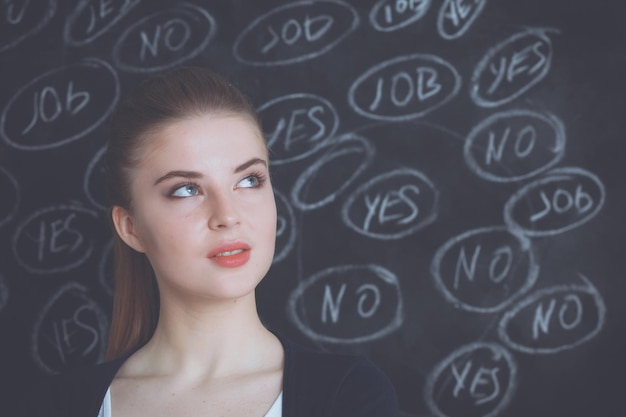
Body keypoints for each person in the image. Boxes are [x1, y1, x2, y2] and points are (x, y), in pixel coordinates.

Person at [24, 67, 399, 416]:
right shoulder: (61, 405)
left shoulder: (348, 394)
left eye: (249, 180)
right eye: (186, 189)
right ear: (130, 227)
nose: (227, 215)